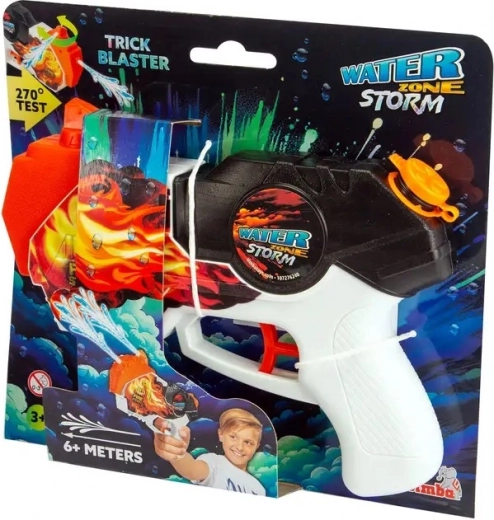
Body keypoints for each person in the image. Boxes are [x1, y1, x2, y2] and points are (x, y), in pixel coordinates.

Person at [154, 407, 266, 495]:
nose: (240, 447)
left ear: (257, 446)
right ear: (221, 435)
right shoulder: (214, 462)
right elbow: (192, 470)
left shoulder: (258, 489)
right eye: (233, 437)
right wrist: (177, 453)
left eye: (248, 442)